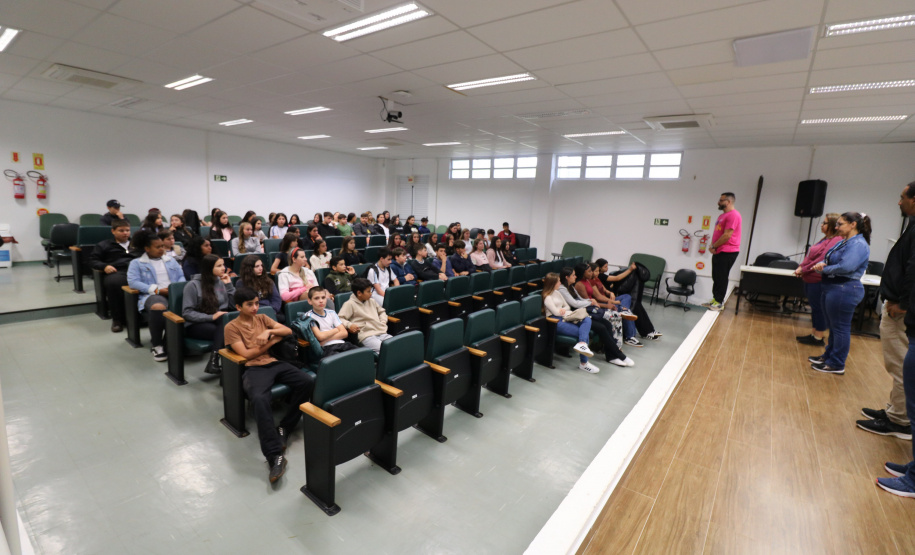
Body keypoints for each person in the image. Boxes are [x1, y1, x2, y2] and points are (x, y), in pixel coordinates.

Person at [224, 286, 313, 483]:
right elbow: (246, 354)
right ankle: (274, 456)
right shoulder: (231, 328)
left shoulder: (263, 319)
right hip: (254, 369)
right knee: (259, 398)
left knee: (307, 381)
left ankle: (285, 427)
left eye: (257, 303)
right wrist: (272, 341)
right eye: (250, 305)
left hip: (274, 363)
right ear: (238, 306)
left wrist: (270, 332)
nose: (256, 308)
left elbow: (288, 330)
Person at [858, 185, 915, 440]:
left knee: (901, 365)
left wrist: (903, 304)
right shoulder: (911, 226)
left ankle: (900, 421)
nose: (899, 202)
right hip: (897, 306)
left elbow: (913, 271)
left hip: (900, 310)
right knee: (897, 364)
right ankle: (895, 411)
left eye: (902, 197)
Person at [809, 212, 872, 375]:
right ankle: (829, 357)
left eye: (840, 224)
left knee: (840, 328)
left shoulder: (858, 244)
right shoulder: (846, 242)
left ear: (853, 225)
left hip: (845, 289)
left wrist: (825, 269)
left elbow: (846, 267)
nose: (836, 227)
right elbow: (832, 259)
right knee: (834, 327)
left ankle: (836, 364)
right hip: (834, 287)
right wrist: (824, 264)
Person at [127, 231, 186, 361]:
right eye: (158, 247)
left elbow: (181, 276)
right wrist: (157, 290)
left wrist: (175, 288)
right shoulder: (137, 263)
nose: (162, 249)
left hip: (173, 292)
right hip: (152, 295)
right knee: (158, 306)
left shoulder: (171, 261)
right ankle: (157, 345)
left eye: (163, 246)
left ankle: (172, 341)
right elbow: (133, 282)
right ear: (147, 249)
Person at [558, 267, 633, 367]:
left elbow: (580, 299)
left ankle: (611, 357)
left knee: (607, 323)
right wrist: (590, 301)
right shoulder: (562, 288)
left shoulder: (571, 286)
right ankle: (620, 355)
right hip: (575, 316)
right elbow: (574, 304)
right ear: (567, 277)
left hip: (582, 312)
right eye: (573, 275)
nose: (575, 276)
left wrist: (590, 302)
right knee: (601, 328)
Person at [794, 213, 842, 346]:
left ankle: (818, 337)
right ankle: (814, 334)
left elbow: (821, 259)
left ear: (832, 225)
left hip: (818, 279)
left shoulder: (835, 240)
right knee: (815, 308)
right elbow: (810, 257)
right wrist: (801, 266)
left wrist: (804, 269)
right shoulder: (825, 238)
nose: (821, 225)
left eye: (825, 223)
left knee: (819, 308)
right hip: (810, 278)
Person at [182, 254, 235, 374]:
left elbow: (232, 306)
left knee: (225, 321)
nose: (224, 268)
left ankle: (215, 362)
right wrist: (211, 316)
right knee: (229, 330)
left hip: (217, 322)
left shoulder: (221, 282)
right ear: (209, 268)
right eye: (219, 266)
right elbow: (187, 313)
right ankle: (219, 364)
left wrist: (229, 286)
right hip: (195, 325)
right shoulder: (192, 285)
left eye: (223, 265)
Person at [573, 263, 645, 347]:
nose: (592, 273)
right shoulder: (580, 284)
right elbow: (588, 303)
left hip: (596, 305)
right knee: (615, 316)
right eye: (589, 271)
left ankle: (618, 344)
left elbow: (598, 295)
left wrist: (610, 294)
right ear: (582, 273)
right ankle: (616, 344)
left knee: (624, 303)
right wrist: (608, 305)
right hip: (591, 309)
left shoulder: (587, 281)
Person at [588, 262, 662, 342]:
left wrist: (610, 293)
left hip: (608, 299)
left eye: (598, 271)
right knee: (633, 307)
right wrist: (613, 301)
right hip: (605, 302)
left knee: (628, 297)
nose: (598, 273)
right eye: (596, 271)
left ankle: (626, 311)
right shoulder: (595, 279)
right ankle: (632, 335)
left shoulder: (597, 278)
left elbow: (605, 290)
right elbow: (600, 295)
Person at [542, 272, 599, 373]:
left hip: (565, 316)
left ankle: (582, 344)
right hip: (555, 321)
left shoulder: (557, 292)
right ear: (552, 283)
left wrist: (562, 310)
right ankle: (584, 363)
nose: (560, 283)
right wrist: (562, 310)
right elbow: (555, 312)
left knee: (587, 319)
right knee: (582, 333)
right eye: (558, 281)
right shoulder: (547, 297)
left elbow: (567, 306)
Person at [89, 219, 136, 333]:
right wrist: (104, 266)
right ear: (113, 231)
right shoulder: (104, 245)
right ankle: (117, 320)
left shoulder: (136, 244)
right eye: (121, 230)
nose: (125, 233)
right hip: (117, 271)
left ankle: (140, 315)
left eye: (127, 230)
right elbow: (92, 260)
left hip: (136, 270)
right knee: (114, 283)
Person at [702, 192, 742, 311]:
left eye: (721, 200)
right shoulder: (722, 216)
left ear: (728, 202)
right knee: (716, 276)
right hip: (719, 250)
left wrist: (714, 246)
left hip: (728, 251)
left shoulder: (733, 215)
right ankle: (715, 299)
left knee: (722, 276)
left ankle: (719, 302)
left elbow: (727, 235)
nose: (718, 202)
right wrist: (713, 246)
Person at [339, 278, 393, 354]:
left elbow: (382, 312)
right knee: (386, 349)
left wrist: (383, 321)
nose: (371, 294)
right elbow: (340, 318)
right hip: (366, 336)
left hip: (381, 332)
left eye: (371, 291)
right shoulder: (349, 304)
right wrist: (349, 325)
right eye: (368, 291)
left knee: (396, 345)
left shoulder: (372, 301)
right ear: (359, 293)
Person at [305, 287, 358, 357]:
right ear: (309, 301)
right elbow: (320, 337)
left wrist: (326, 339)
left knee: (361, 355)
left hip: (342, 344)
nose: (321, 301)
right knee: (342, 361)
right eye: (316, 298)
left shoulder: (332, 312)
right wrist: (336, 329)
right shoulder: (308, 316)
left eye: (323, 297)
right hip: (326, 348)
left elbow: (344, 333)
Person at [236, 255, 282, 322]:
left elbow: (276, 299)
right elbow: (245, 303)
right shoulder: (241, 283)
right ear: (249, 269)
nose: (261, 268)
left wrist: (272, 311)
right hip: (253, 314)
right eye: (257, 266)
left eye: (261, 266)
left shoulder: (268, 280)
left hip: (271, 311)